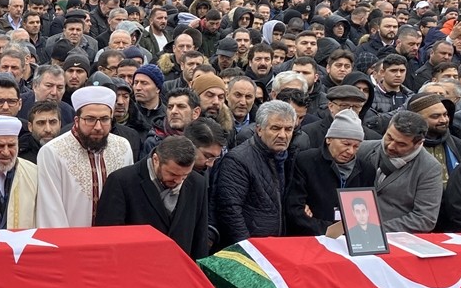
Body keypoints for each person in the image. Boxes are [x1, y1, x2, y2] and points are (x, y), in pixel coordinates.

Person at [95, 135, 210, 259]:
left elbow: (200, 235)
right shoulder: (122, 181)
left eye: (185, 175)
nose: (179, 180)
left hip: (178, 268)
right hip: (136, 267)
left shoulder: (198, 183)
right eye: (172, 174)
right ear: (156, 160)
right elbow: (109, 237)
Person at [36, 86, 132, 228]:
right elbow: (51, 211)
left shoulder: (122, 147)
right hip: (71, 243)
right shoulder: (52, 152)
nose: (98, 127)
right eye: (90, 119)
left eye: (105, 119)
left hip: (114, 241)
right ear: (76, 120)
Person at [214, 100, 298, 247]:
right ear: (259, 129)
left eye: (288, 129)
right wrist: (248, 249)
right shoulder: (238, 160)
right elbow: (230, 210)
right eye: (276, 128)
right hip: (252, 250)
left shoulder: (289, 156)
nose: (283, 135)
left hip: (277, 246)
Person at [285, 109, 375, 237]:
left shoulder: (366, 170)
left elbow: (366, 212)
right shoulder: (306, 161)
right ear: (329, 139)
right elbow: (295, 208)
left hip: (352, 238)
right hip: (312, 236)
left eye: (356, 146)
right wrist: (327, 230)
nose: (350, 151)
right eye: (346, 144)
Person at [355, 109, 443, 233]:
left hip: (395, 238)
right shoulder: (362, 149)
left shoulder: (429, 168)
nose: (390, 146)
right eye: (389, 137)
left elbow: (425, 218)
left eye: (401, 144)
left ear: (419, 143)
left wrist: (377, 229)